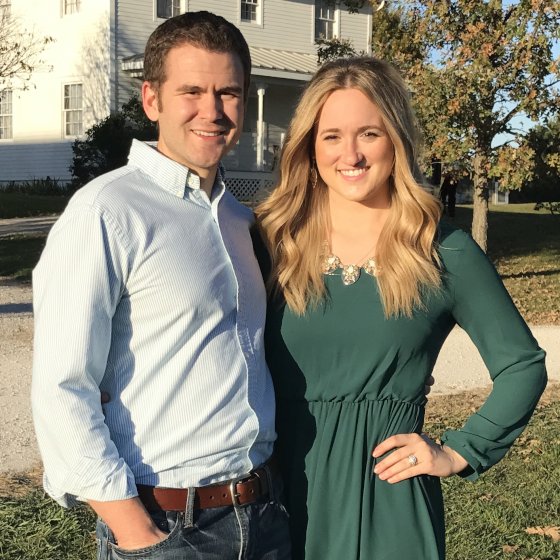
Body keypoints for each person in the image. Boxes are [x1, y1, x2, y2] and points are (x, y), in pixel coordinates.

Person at [255, 57, 547, 560]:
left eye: (369, 134)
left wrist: (459, 451)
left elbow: (522, 365)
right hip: (277, 494)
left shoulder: (440, 250)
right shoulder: (271, 242)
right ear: (309, 146)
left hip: (387, 498)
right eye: (331, 136)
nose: (351, 154)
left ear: (396, 139)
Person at [31, 11, 290, 560]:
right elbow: (62, 384)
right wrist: (133, 529)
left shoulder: (240, 220)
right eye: (191, 91)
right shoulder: (107, 211)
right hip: (168, 523)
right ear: (151, 100)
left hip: (265, 513)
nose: (212, 111)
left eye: (228, 93)